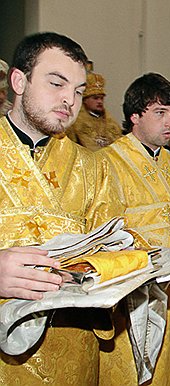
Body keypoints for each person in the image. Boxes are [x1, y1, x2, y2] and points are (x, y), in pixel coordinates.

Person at [0, 32, 122, 385]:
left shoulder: (93, 166)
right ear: (19, 81)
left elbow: (113, 250)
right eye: (57, 83)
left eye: (79, 91)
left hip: (72, 348)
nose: (70, 100)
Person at [98, 73, 170, 386]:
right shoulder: (105, 164)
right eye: (159, 112)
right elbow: (99, 234)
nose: (169, 122)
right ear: (135, 116)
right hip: (129, 297)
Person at [66, 71, 122, 151]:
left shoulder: (112, 123)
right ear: (85, 100)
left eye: (101, 98)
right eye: (95, 98)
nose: (100, 101)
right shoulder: (74, 123)